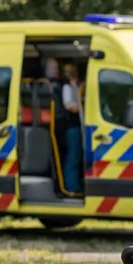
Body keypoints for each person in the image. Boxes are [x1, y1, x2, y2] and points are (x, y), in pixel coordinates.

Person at [60, 61, 84, 194]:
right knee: (73, 157)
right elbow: (69, 105)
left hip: (79, 127)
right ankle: (71, 186)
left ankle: (75, 184)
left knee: (78, 157)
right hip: (72, 127)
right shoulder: (67, 88)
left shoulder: (78, 86)